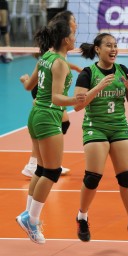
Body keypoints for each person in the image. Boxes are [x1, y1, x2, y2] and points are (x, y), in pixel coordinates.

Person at [16, 18, 85, 244]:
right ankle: (31, 219)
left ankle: (29, 219)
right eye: (73, 36)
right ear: (65, 40)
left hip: (35, 115)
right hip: (48, 116)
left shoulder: (46, 56)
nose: (75, 39)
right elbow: (57, 97)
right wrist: (76, 98)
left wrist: (26, 79)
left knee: (41, 169)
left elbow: (29, 87)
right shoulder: (59, 63)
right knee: (52, 171)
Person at [73, 33, 128, 248]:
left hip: (119, 127)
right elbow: (78, 105)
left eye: (115, 46)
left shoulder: (123, 71)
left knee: (127, 178)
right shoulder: (87, 74)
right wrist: (99, 86)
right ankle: (82, 217)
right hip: (95, 128)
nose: (113, 49)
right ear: (97, 49)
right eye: (108, 46)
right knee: (93, 177)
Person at [21, 10, 82, 178]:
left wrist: (75, 68)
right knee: (49, 172)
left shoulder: (52, 54)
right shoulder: (55, 56)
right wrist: (79, 100)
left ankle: (42, 161)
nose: (76, 24)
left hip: (44, 96)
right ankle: (36, 163)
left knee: (63, 123)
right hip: (47, 94)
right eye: (74, 21)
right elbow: (57, 68)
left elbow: (54, 61)